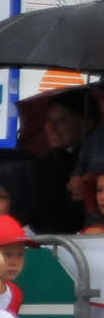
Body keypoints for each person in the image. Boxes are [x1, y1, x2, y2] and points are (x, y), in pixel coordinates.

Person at [32, 94, 104, 234]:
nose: (51, 126)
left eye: (62, 120)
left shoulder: (96, 142)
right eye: (49, 119)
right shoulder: (47, 162)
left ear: (87, 123)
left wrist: (88, 189)